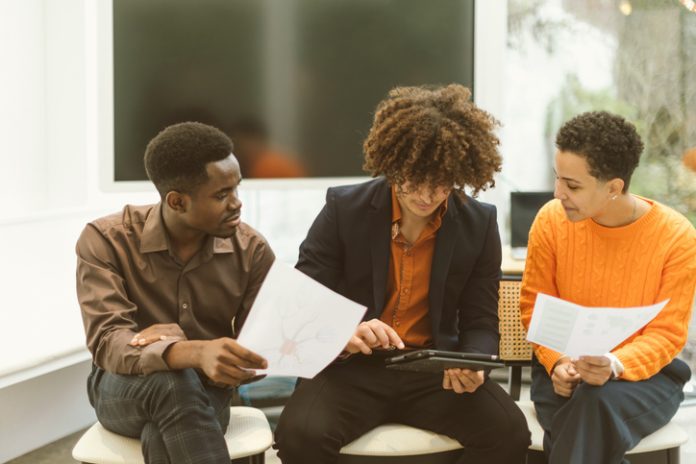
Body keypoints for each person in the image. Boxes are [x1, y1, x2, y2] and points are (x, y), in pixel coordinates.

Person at [275, 84, 530, 464]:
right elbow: (305, 301)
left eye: (441, 182)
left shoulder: (479, 223)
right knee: (299, 436)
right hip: (351, 370)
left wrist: (473, 362)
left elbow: (479, 318)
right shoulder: (344, 209)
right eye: (414, 179)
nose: (426, 195)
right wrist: (346, 330)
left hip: (433, 370)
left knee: (509, 432)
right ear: (393, 164)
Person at [76, 122, 275, 463]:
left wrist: (247, 360)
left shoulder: (252, 250)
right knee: (173, 383)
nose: (237, 204)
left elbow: (263, 342)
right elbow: (108, 341)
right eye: (221, 195)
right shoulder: (106, 240)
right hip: (121, 386)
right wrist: (191, 352)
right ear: (177, 201)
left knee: (166, 425)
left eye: (236, 189)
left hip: (207, 391)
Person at [520, 111, 696, 464]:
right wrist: (558, 364)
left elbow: (666, 335)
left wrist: (613, 364)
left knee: (591, 406)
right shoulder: (551, 220)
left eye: (572, 186)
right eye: (558, 179)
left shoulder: (677, 237)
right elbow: (534, 307)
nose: (558, 194)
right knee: (587, 415)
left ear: (614, 187)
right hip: (563, 375)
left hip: (647, 379)